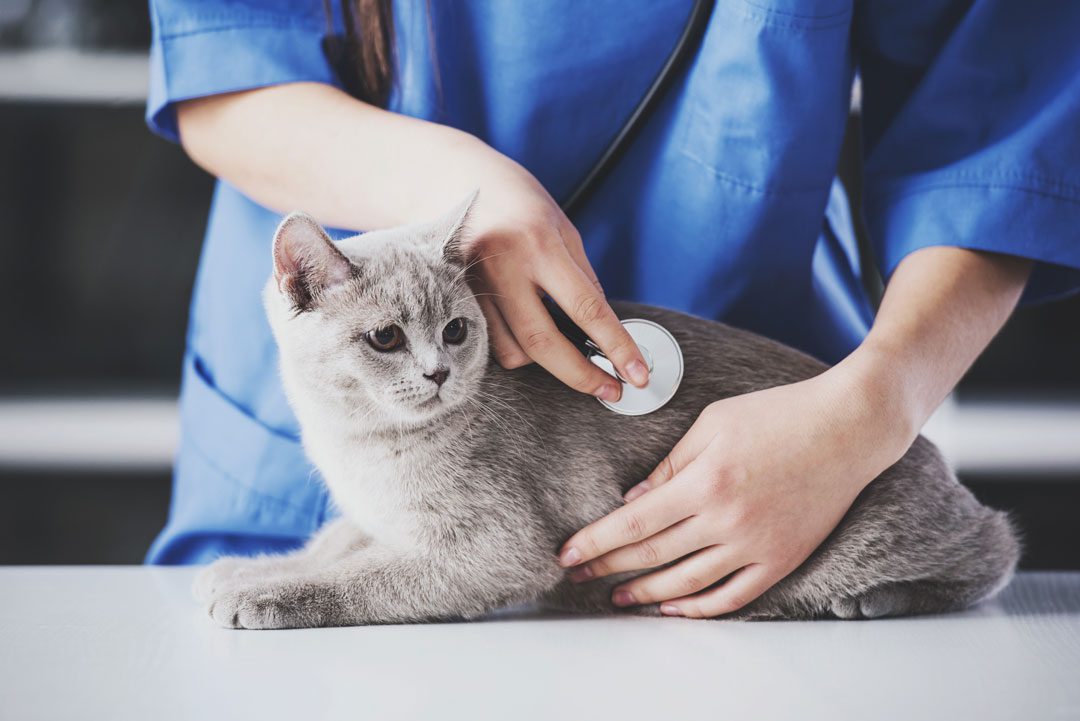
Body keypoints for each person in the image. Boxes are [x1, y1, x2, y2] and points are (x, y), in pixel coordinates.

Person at [146, 0, 1079, 618]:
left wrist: (873, 406)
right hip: (327, 406)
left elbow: (999, 131)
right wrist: (464, 192)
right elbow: (224, 63)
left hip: (764, 441)